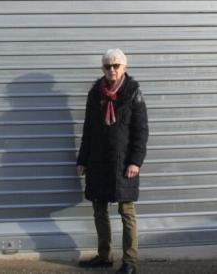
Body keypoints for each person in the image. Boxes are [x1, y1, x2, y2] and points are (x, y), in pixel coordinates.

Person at [76, 49, 148, 274]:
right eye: (107, 66)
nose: (112, 70)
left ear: (124, 67)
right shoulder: (95, 93)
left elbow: (141, 131)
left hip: (123, 162)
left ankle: (130, 262)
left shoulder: (133, 92)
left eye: (116, 65)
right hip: (98, 161)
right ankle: (105, 256)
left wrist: (135, 161)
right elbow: (88, 129)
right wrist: (83, 159)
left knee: (126, 211)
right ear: (103, 69)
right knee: (99, 209)